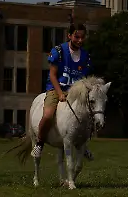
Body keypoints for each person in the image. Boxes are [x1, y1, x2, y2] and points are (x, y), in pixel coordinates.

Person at [32, 23, 96, 160]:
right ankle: (39, 143)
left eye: (82, 37)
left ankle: (83, 145)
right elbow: (52, 75)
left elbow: (84, 78)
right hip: (56, 89)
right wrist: (60, 92)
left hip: (75, 91)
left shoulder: (85, 56)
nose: (80, 40)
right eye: (76, 37)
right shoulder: (59, 51)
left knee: (89, 114)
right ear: (69, 36)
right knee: (48, 115)